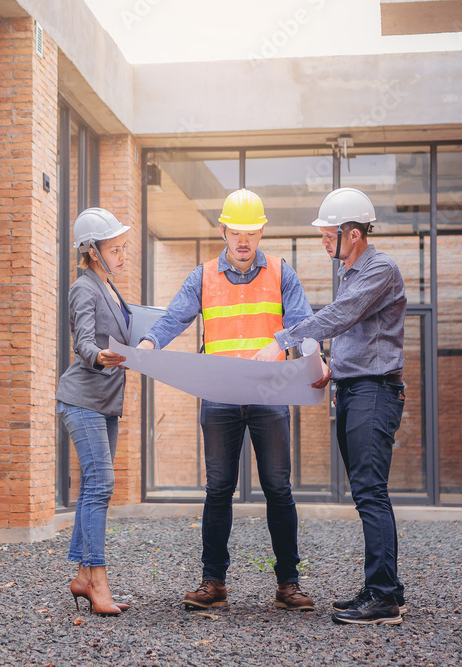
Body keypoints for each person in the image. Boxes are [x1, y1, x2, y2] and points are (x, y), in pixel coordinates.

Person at [138, 189, 327, 612]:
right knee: (218, 488)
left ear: (261, 232)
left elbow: (304, 325)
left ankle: (288, 585)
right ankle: (214, 583)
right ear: (223, 230)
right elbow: (174, 317)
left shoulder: (282, 272)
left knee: (278, 488)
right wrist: (150, 342)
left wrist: (315, 359)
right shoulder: (202, 276)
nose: (244, 241)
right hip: (220, 398)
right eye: (236, 232)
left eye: (252, 233)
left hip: (269, 395)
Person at [254, 187, 408, 626]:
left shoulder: (379, 269)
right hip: (354, 388)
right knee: (368, 492)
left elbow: (341, 316)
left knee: (369, 492)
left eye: (327, 234)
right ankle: (388, 588)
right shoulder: (350, 271)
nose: (323, 241)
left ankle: (382, 598)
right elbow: (351, 332)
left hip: (374, 391)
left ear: (353, 234)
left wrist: (280, 341)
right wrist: (333, 365)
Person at [56, 207, 134, 617]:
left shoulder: (112, 289)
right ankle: (97, 579)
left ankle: (84, 577)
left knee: (93, 486)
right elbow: (83, 339)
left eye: (124, 248)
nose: (123, 255)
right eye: (115, 249)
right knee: (102, 482)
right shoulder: (83, 288)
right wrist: (98, 356)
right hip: (82, 398)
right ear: (91, 251)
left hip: (106, 404)